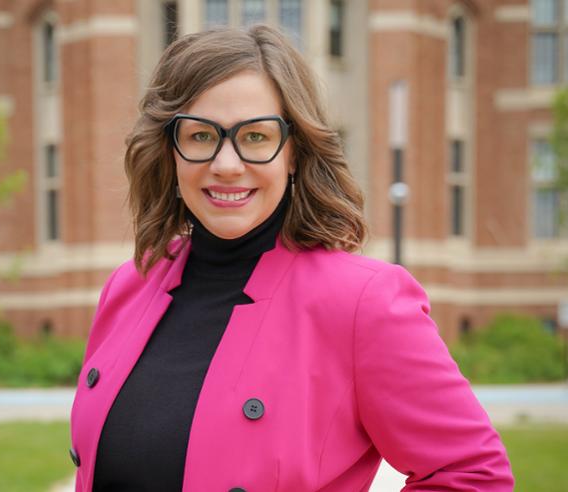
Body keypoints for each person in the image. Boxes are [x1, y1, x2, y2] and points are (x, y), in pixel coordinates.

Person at [69, 25, 513, 491]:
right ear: (169, 148)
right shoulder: (130, 286)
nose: (226, 164)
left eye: (256, 137)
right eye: (200, 136)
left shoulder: (362, 303)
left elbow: (473, 475)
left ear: (294, 151)